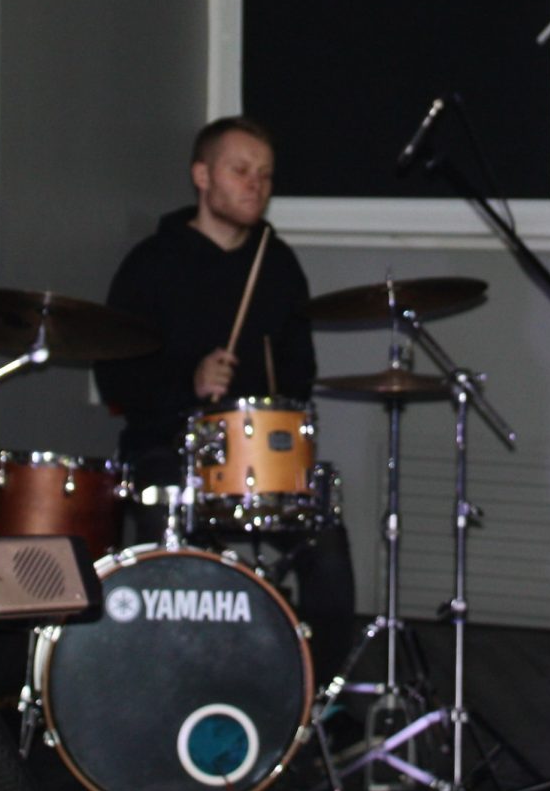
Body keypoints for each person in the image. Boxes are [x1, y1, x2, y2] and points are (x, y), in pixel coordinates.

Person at [97, 117, 358, 688]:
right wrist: (188, 382)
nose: (255, 185)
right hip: (166, 446)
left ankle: (317, 694)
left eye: (265, 174)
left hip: (259, 457)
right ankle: (168, 685)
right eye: (241, 170)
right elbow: (115, 378)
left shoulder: (278, 263)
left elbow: (300, 372)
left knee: (326, 538)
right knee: (164, 525)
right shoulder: (151, 264)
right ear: (202, 176)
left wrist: (268, 403)